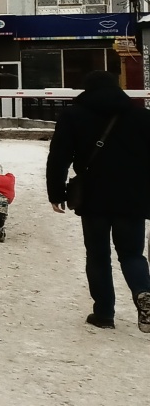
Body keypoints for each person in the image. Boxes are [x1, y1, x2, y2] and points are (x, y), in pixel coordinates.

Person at [46, 69, 150, 332]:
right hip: (133, 196)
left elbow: (59, 155)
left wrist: (56, 193)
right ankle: (143, 292)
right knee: (132, 253)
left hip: (93, 195)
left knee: (98, 254)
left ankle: (103, 313)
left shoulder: (73, 115)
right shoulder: (140, 115)